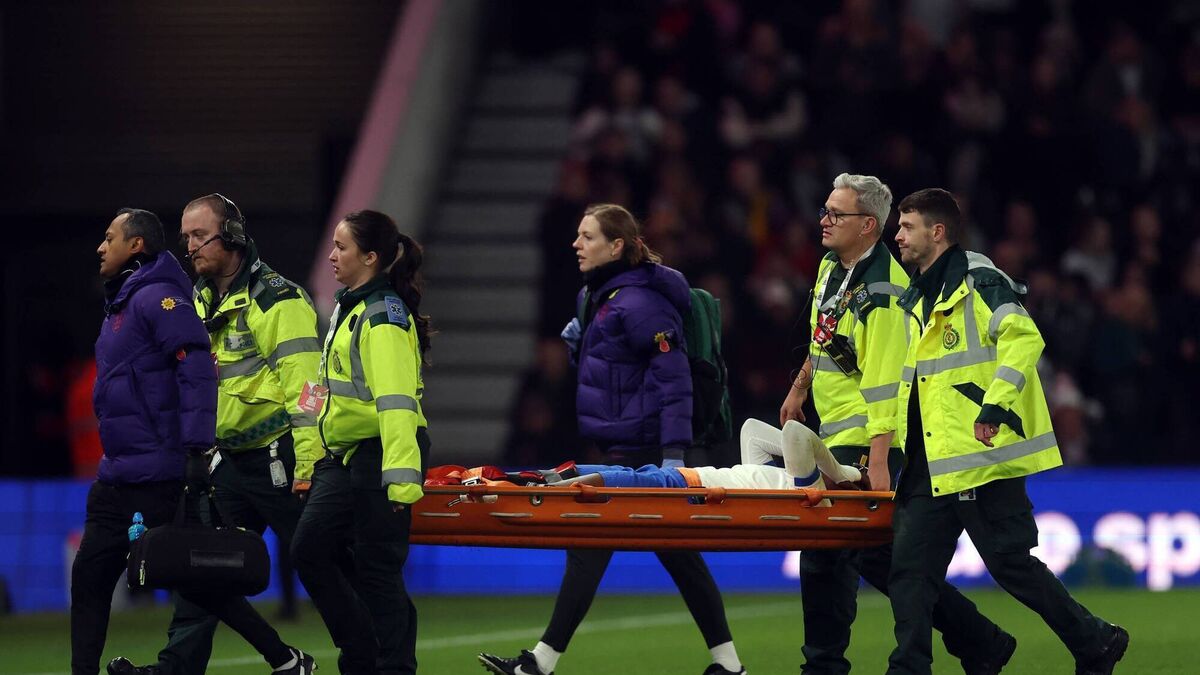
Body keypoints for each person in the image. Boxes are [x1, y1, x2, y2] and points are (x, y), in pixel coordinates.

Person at [479, 204, 745, 675]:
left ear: (616, 245)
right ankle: (728, 664)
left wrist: (673, 456)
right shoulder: (605, 298)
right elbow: (621, 371)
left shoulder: (638, 302)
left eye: (588, 236)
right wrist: (582, 345)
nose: (576, 244)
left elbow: (674, 380)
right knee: (679, 557)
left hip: (646, 452)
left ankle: (540, 663)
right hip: (629, 447)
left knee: (591, 542)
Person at [779, 174, 1015, 674]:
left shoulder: (884, 292)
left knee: (825, 549)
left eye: (836, 214)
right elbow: (823, 336)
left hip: (868, 437)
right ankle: (981, 639)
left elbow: (887, 382)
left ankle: (823, 666)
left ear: (867, 225)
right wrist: (800, 387)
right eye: (825, 210)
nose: (824, 220)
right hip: (834, 432)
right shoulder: (831, 267)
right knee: (879, 557)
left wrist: (879, 458)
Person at [887, 188, 1128, 675]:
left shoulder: (979, 279)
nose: (899, 235)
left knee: (1010, 565)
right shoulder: (917, 294)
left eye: (907, 226)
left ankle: (1096, 641)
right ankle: (910, 669)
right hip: (932, 461)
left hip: (981, 455)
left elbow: (1023, 338)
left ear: (938, 232)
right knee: (910, 572)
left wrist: (995, 405)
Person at [73, 209, 311, 675]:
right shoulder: (120, 305)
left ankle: (284, 657)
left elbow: (197, 368)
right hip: (118, 471)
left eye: (109, 238)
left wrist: (197, 450)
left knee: (195, 580)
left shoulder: (160, 299)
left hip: (160, 471)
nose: (100, 247)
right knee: (90, 580)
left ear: (135, 245)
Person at [290, 210, 431, 675]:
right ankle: (362, 654)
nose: (331, 256)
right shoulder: (349, 308)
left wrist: (402, 482)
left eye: (341, 247)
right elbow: (323, 387)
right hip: (346, 453)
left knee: (377, 571)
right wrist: (309, 453)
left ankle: (390, 667)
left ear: (370, 258)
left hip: (381, 453)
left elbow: (397, 404)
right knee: (309, 550)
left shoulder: (381, 317)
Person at [573, 418, 863, 491]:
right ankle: (557, 476)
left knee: (633, 480)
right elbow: (752, 430)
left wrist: (843, 473)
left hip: (696, 488)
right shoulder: (787, 476)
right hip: (693, 479)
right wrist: (839, 471)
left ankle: (559, 483)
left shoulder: (810, 489)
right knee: (631, 475)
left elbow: (794, 432)